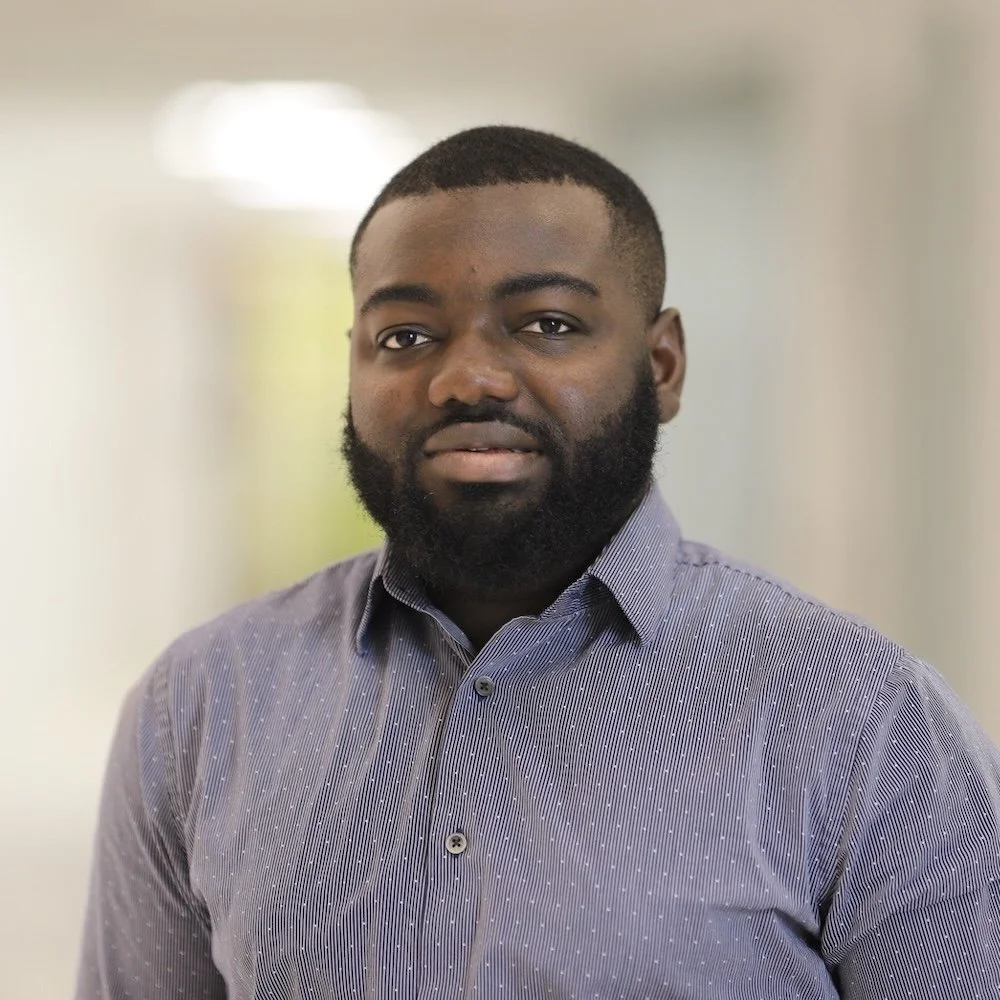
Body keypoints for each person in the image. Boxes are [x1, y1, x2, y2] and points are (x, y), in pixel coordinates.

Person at [76, 126, 1000, 999]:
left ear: (663, 364)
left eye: (548, 324)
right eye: (405, 337)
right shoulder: (200, 704)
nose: (468, 378)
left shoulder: (864, 720)